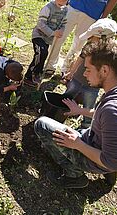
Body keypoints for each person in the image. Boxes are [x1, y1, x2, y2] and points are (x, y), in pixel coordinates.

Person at [34, 38, 117, 189]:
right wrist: (80, 111)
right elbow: (103, 117)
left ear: (104, 70)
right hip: (98, 141)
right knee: (80, 132)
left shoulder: (111, 110)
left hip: (102, 159)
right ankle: (110, 174)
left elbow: (110, 161)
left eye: (88, 69)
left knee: (42, 125)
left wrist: (77, 144)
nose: (84, 74)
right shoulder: (113, 94)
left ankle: (74, 175)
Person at [61, 18, 117, 128]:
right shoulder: (89, 45)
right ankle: (61, 113)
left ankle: (86, 125)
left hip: (92, 87)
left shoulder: (109, 57)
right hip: (77, 79)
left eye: (92, 37)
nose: (90, 39)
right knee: (68, 96)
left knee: (89, 104)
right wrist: (71, 72)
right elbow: (80, 58)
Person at [44, 0, 117, 75]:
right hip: (73, 6)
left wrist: (103, 17)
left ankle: (66, 69)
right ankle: (50, 66)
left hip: (93, 14)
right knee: (58, 37)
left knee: (79, 45)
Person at [24, 0, 68, 87]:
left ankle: (37, 73)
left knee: (43, 54)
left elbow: (63, 24)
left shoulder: (65, 10)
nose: (61, 1)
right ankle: (29, 76)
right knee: (41, 53)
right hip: (39, 35)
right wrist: (52, 32)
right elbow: (40, 24)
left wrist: (60, 31)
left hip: (48, 39)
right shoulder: (48, 7)